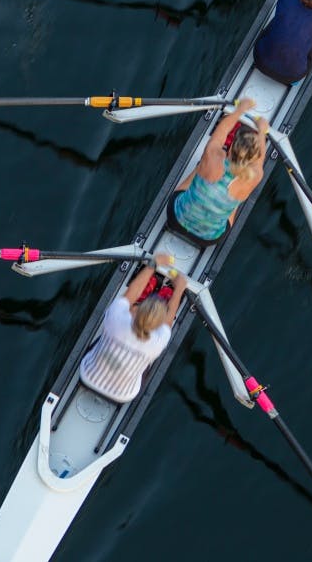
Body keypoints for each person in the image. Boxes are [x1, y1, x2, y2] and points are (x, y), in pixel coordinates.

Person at [79, 254, 188, 403]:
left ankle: (149, 286)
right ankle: (167, 291)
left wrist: (153, 264)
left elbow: (133, 292)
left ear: (136, 310)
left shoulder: (116, 316)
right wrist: (179, 289)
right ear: (158, 325)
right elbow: (169, 317)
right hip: (123, 395)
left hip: (87, 376)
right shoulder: (159, 340)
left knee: (110, 328)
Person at [168, 98, 268, 247]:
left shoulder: (213, 155)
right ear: (252, 158)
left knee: (200, 166)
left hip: (175, 220)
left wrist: (240, 109)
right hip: (208, 240)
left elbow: (223, 127)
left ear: (232, 144)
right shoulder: (255, 176)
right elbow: (261, 157)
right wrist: (262, 131)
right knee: (237, 198)